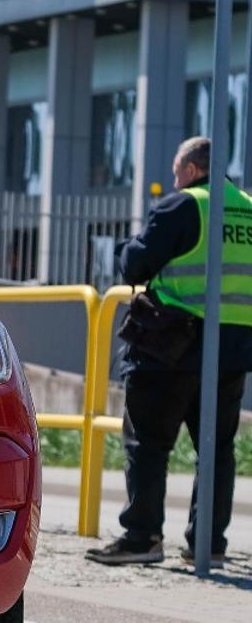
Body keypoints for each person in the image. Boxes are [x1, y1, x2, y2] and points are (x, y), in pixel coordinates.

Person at [87, 136, 252, 565]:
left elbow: (136, 264)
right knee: (216, 448)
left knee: (147, 442)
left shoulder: (184, 205)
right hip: (232, 350)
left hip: (171, 345)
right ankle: (208, 544)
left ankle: (142, 538)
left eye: (177, 172)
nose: (174, 180)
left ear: (192, 170)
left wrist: (126, 248)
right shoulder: (248, 209)